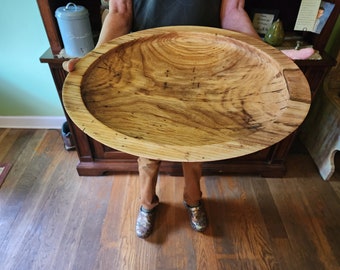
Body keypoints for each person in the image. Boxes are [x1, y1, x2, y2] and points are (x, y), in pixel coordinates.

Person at [63, 0, 314, 239]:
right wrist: (95, 58)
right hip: (144, 65)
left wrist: (268, 54)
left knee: (195, 146)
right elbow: (119, 12)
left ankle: (193, 199)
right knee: (147, 148)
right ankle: (147, 204)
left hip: (205, 63)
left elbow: (233, 11)